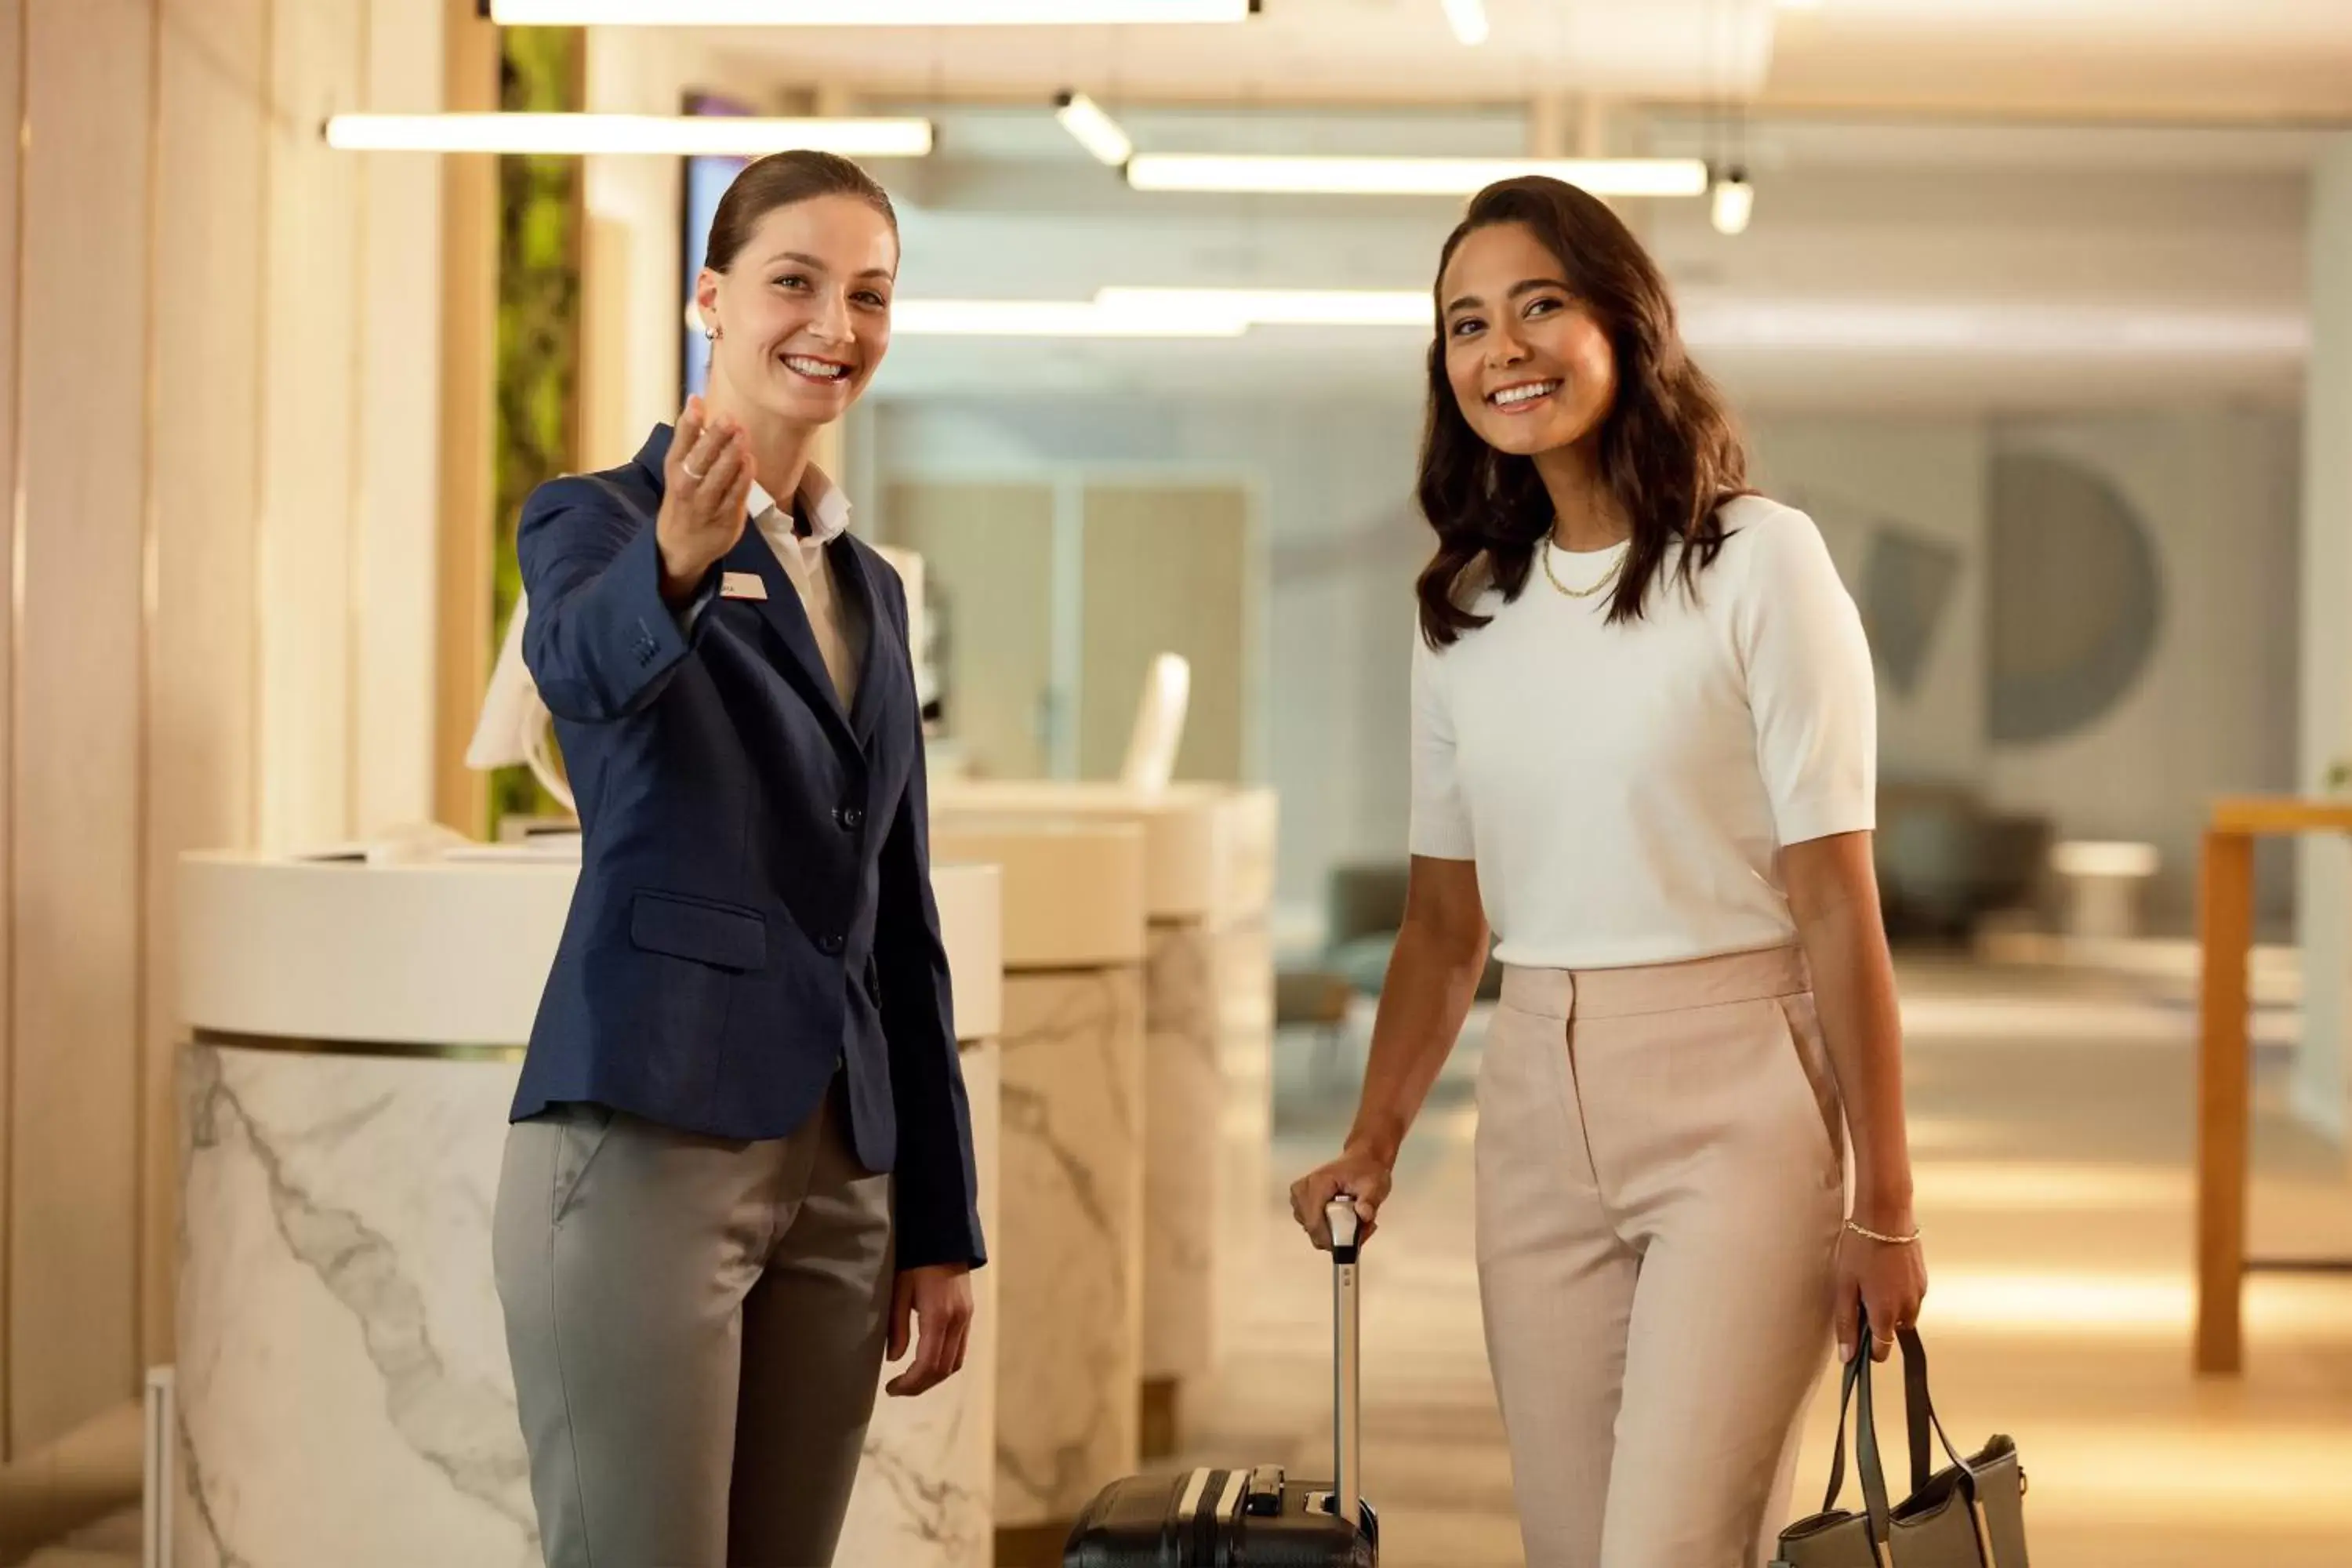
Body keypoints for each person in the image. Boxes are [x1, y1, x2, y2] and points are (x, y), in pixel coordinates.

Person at [1287, 176, 1928, 1568]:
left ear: (1625, 327)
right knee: (1571, 1548)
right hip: (1531, 1106)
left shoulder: (1761, 564)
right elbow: (1445, 924)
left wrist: (1887, 1201)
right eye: (1465, 324)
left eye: (1539, 307)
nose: (1499, 349)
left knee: (1669, 1549)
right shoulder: (1466, 607)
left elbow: (1835, 901)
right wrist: (1377, 1139)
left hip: (1740, 1104)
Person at [490, 150, 983, 1568]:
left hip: (843, 1169)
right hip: (651, 1132)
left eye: (871, 295)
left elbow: (899, 914)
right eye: (796, 282)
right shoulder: (595, 520)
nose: (837, 322)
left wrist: (938, 1214)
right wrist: (677, 563)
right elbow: (580, 671)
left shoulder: (873, 587)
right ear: (710, 296)